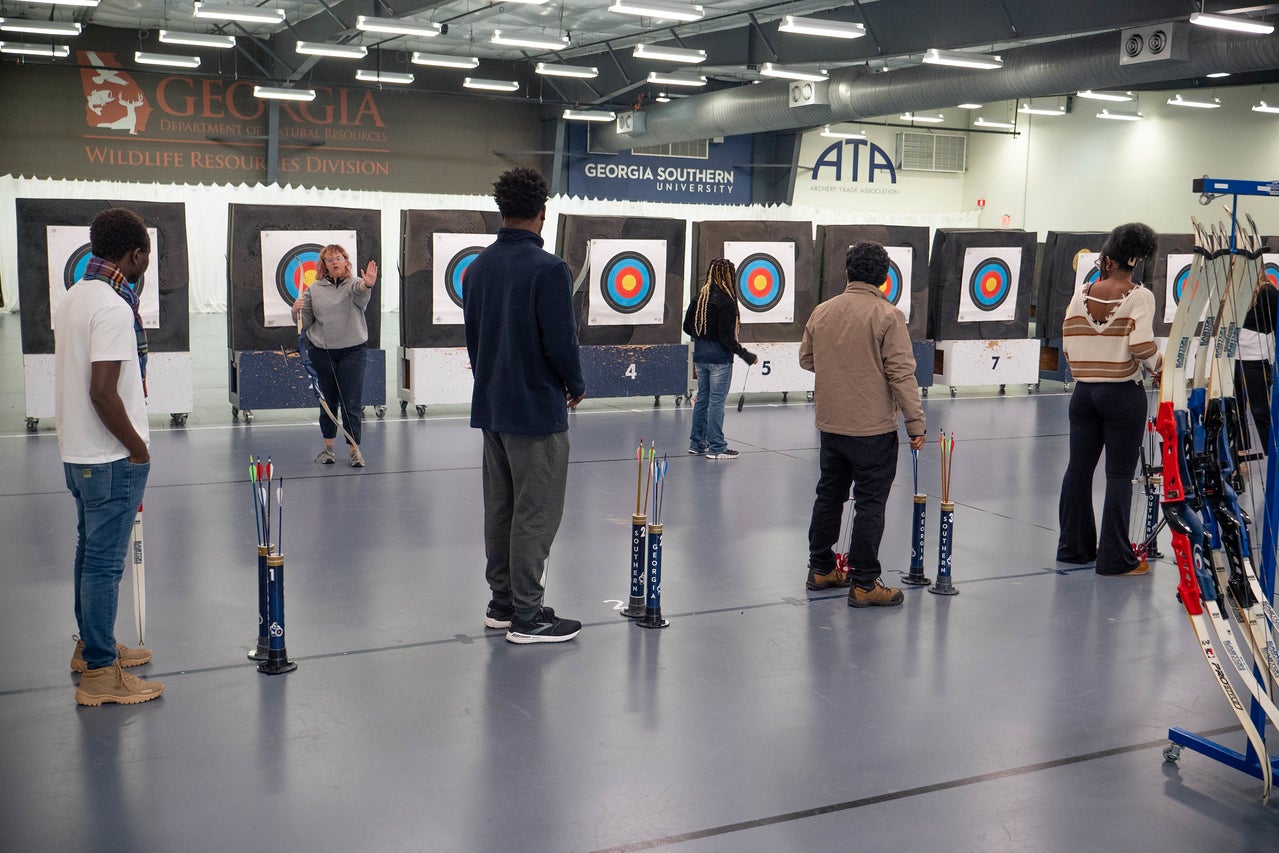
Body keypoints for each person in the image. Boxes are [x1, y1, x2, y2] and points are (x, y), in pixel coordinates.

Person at [464, 167, 586, 644]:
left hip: (493, 406)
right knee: (536, 511)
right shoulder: (549, 269)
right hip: (535, 409)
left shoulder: (478, 267)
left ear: (502, 209)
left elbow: (474, 341)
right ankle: (529, 616)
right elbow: (561, 342)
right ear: (542, 211)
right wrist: (575, 382)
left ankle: (503, 603)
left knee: (501, 507)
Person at [55, 207, 164, 705]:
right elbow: (102, 392)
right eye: (147, 256)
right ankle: (101, 673)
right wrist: (137, 449)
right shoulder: (114, 308)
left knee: (88, 553)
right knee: (104, 564)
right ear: (135, 254)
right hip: (110, 456)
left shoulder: (75, 296)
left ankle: (90, 646)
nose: (146, 264)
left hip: (79, 452)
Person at [800, 241, 926, 606]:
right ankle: (865, 584)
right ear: (885, 279)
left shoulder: (822, 311)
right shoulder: (888, 315)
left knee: (829, 495)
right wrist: (915, 423)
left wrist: (840, 365)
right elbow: (901, 374)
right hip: (873, 429)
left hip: (831, 425)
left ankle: (821, 568)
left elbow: (807, 359)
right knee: (870, 503)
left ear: (847, 272)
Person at [1057, 222, 1161, 576]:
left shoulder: (1082, 293)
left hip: (1084, 395)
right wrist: (1161, 368)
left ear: (1108, 258)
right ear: (1135, 261)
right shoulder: (1139, 296)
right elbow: (1141, 344)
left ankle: (1073, 548)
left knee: (1078, 469)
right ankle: (1115, 558)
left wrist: (1088, 367)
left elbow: (1068, 342)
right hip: (1122, 396)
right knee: (1118, 476)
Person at [292, 245, 377, 468]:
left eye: (338, 258)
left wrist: (367, 284)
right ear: (324, 265)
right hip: (323, 353)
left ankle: (354, 451)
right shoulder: (313, 289)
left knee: (351, 402)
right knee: (327, 402)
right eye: (329, 260)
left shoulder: (355, 284)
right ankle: (329, 448)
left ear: (346, 261)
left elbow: (361, 294)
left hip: (353, 351)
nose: (335, 262)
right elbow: (305, 322)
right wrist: (296, 311)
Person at [683, 258, 758, 460]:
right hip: (719, 359)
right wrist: (746, 355)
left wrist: (703, 335)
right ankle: (716, 447)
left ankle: (697, 443)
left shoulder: (700, 297)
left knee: (702, 399)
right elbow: (726, 339)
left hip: (700, 356)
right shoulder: (726, 301)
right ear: (729, 276)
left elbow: (687, 327)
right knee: (716, 402)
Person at [1234, 278, 1277, 458]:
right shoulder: (1231, 293)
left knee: (1260, 411)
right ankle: (1240, 456)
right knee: (1236, 410)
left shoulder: (1266, 291)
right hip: (1233, 358)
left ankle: (1274, 457)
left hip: (1256, 360)